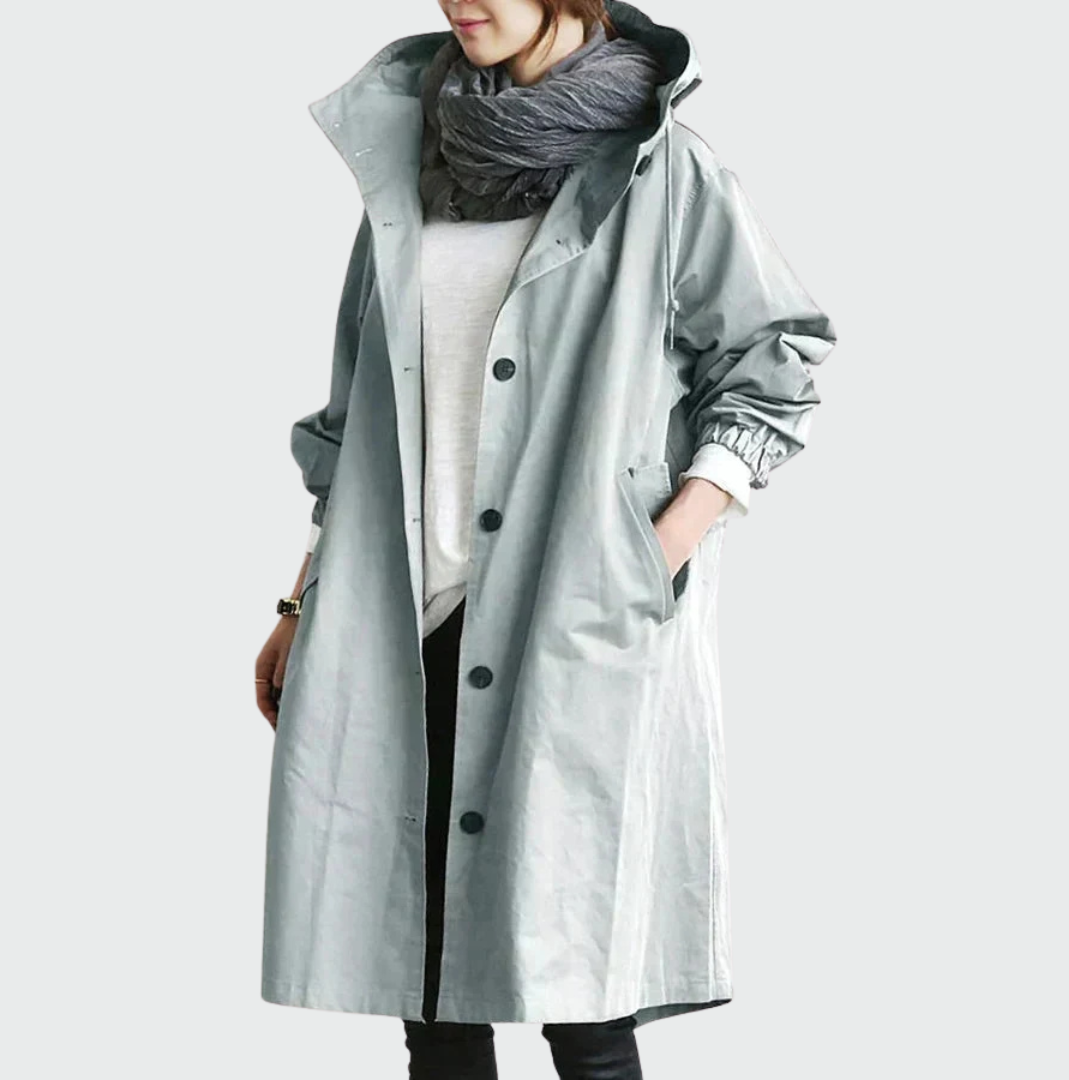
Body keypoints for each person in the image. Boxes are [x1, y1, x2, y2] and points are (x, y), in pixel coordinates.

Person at [255, 1, 838, 1077]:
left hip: (568, 624)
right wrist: (302, 599)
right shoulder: (408, 174)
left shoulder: (664, 174)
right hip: (402, 620)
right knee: (427, 993)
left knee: (586, 1001)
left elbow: (773, 360)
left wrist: (648, 554)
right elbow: (355, 417)